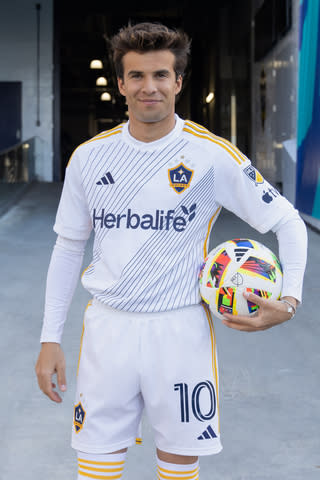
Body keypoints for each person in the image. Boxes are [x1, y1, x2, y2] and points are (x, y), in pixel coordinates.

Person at [35, 22, 308, 480]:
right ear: (120, 84)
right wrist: (49, 339)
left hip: (181, 331)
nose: (150, 87)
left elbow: (288, 221)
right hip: (108, 331)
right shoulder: (88, 157)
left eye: (161, 75)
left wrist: (290, 300)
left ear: (178, 82)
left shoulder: (210, 155)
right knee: (96, 468)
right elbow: (68, 247)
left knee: (179, 468)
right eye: (137, 76)